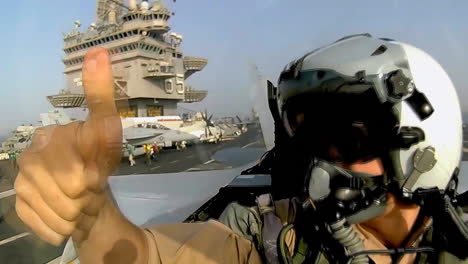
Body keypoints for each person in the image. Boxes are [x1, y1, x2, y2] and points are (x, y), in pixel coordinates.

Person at [13, 36, 468, 264]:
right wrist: (93, 212)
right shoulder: (270, 238)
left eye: (348, 142)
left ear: (424, 154)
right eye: (309, 143)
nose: (320, 169)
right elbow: (144, 255)